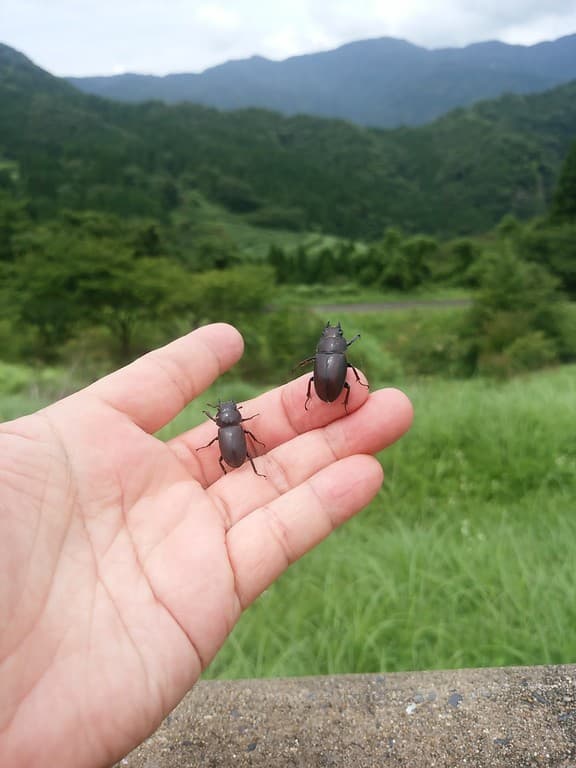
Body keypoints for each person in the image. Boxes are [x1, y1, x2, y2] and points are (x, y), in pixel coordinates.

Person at [0, 322, 413, 767]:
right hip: (253, 442)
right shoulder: (329, 365)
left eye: (332, 345)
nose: (332, 347)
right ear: (334, 349)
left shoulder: (243, 416)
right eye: (332, 345)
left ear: (327, 350)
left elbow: (241, 430)